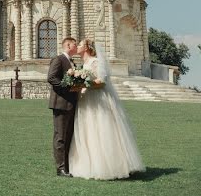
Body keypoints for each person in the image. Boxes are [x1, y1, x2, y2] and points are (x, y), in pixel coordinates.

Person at [68, 39, 145, 180]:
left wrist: (84, 83)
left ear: (86, 48)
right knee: (88, 131)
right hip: (85, 101)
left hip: (98, 100)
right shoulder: (83, 65)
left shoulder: (95, 62)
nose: (77, 46)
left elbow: (102, 82)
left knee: (101, 130)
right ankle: (89, 164)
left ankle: (110, 166)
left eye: (79, 44)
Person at [47, 37, 78, 177]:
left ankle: (67, 166)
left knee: (68, 135)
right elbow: (51, 78)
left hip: (71, 103)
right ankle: (60, 168)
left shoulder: (72, 62)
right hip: (61, 103)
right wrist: (67, 87)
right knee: (60, 136)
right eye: (75, 45)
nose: (76, 47)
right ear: (68, 45)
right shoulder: (58, 59)